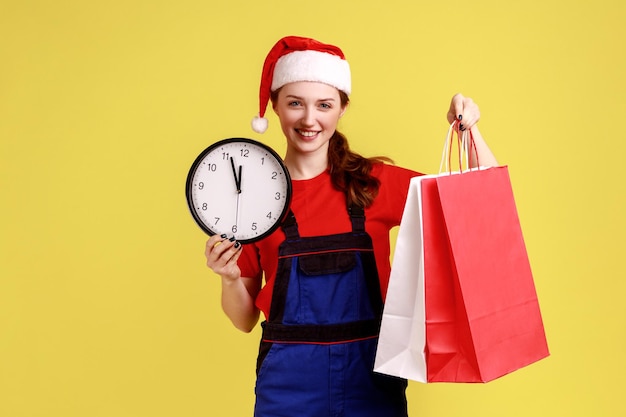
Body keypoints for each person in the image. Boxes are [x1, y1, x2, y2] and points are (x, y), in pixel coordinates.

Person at [204, 36, 498, 417]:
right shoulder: (253, 200)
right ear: (275, 106)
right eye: (295, 103)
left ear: (341, 108)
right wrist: (228, 277)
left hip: (371, 381)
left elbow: (478, 203)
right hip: (287, 389)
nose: (309, 119)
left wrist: (469, 131)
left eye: (324, 105)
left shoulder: (374, 184)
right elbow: (243, 320)